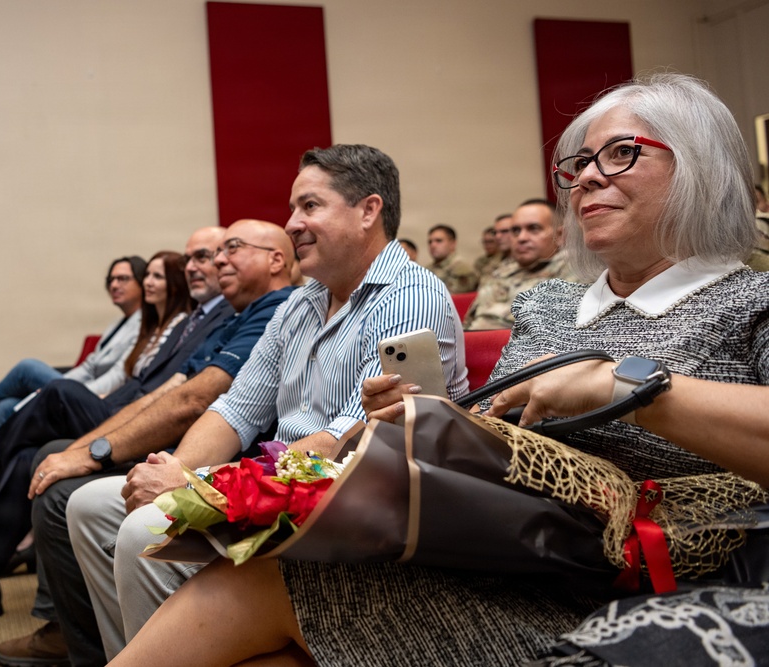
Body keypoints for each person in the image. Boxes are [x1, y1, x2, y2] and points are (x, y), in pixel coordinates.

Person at [105, 73, 769, 667]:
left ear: (701, 169)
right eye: (579, 162)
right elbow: (506, 445)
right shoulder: (552, 307)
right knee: (259, 596)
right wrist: (428, 420)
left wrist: (625, 386)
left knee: (263, 585)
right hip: (523, 559)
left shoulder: (750, 303)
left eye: (621, 153)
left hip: (653, 582)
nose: (588, 176)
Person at [64, 144, 468, 663]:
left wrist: (194, 488)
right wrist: (176, 470)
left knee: (149, 525)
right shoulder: (302, 301)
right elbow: (237, 407)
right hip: (281, 483)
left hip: (347, 503)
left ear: (369, 210)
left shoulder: (413, 295)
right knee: (91, 506)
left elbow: (353, 440)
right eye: (294, 207)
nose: (292, 222)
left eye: (310, 206)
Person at [0, 219, 296, 667]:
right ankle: (107, 649)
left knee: (67, 482)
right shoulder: (229, 317)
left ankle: (81, 641)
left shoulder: (279, 307)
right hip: (194, 450)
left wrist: (101, 453)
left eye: (228, 249)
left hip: (249, 467)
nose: (215, 262)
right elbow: (171, 394)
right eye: (200, 256)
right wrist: (87, 451)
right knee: (65, 478)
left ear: (276, 259)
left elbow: (194, 402)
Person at [0, 245, 203, 640]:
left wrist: (95, 406)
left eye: (155, 276)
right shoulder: (157, 324)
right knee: (30, 451)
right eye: (141, 275)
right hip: (118, 410)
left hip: (135, 424)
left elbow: (172, 394)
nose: (146, 283)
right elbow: (123, 376)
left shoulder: (192, 321)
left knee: (55, 392)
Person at [0, 256, 147, 449]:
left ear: (141, 282)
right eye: (111, 279)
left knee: (27, 368)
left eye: (123, 279)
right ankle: (2, 479)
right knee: (5, 406)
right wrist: (61, 386)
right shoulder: (117, 324)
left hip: (97, 399)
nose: (114, 285)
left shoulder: (144, 324)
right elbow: (88, 366)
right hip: (79, 390)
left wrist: (65, 390)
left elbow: (118, 377)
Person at [463, 198, 576, 330]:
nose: (521, 238)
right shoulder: (502, 271)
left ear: (560, 235)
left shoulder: (574, 268)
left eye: (534, 229)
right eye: (516, 231)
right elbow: (469, 322)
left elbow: (552, 329)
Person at [426, 224, 479, 293]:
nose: (433, 245)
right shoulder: (427, 269)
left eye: (439, 241)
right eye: (430, 242)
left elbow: (452, 297)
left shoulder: (461, 268)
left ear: (452, 244)